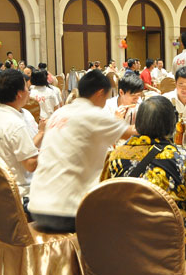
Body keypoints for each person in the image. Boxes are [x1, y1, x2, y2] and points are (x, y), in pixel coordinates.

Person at [28, 71, 136, 232]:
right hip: (66, 212)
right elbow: (131, 133)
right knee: (126, 212)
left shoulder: (59, 113)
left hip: (37, 207)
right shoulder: (94, 114)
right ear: (100, 93)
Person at [106, 96, 186, 257]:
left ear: (138, 124)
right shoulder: (181, 157)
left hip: (127, 242)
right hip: (172, 244)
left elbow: (105, 199)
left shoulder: (115, 156)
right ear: (171, 124)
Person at [0, 69, 44, 201]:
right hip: (19, 194)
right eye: (26, 88)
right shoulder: (15, 124)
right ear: (19, 94)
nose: (29, 92)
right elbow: (31, 165)